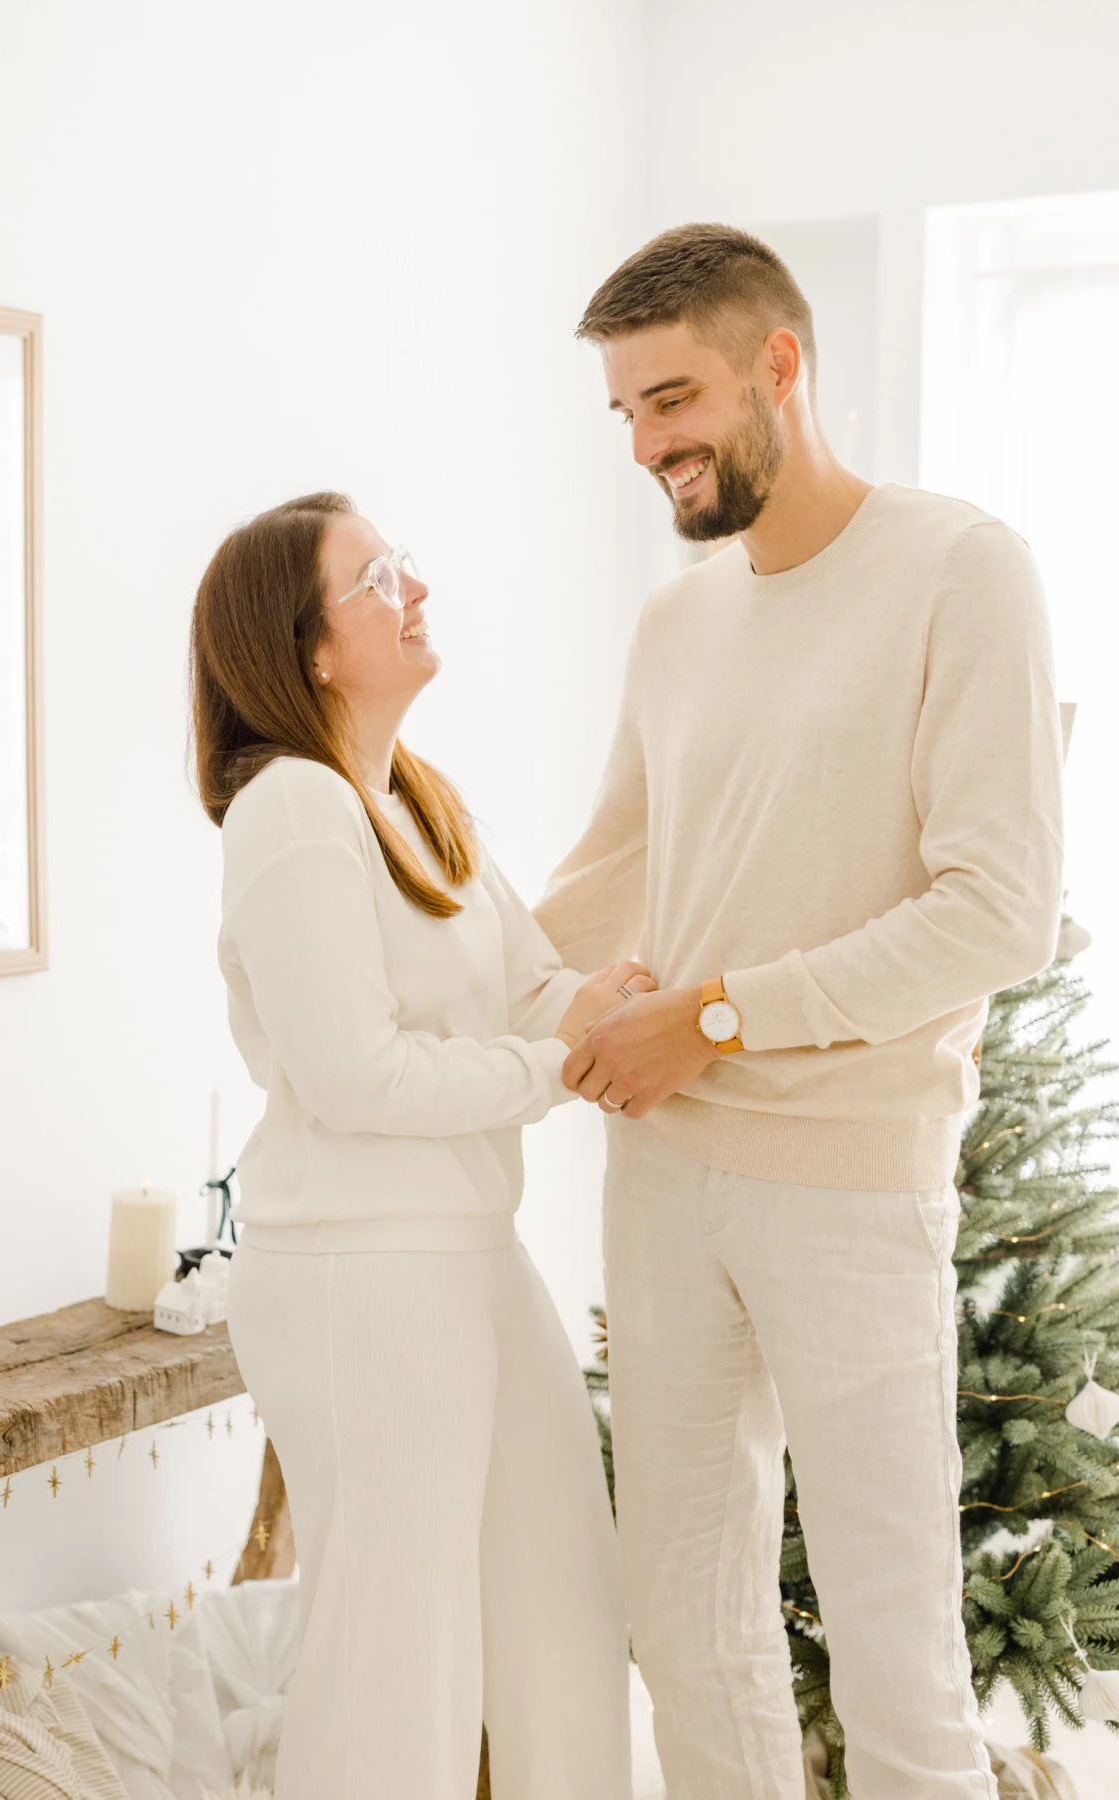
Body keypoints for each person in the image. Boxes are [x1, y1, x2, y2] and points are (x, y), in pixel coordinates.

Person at [534, 225, 1064, 1800]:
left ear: (781, 364)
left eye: (673, 400)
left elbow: (997, 910)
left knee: (895, 1653)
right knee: (686, 1627)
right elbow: (605, 878)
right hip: (663, 1177)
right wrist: (414, 965)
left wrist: (705, 1020)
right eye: (626, 413)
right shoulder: (677, 622)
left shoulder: (962, 569)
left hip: (849, 1181)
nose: (648, 446)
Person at [189, 492, 641, 1800]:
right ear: (311, 651)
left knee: (564, 1609)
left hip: (470, 1252)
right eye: (378, 577)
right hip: (359, 1272)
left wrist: (620, 1010)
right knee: (400, 1658)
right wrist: (564, 1067)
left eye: (404, 564)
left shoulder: (418, 799)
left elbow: (530, 984)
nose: (416, 588)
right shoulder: (292, 808)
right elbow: (354, 1075)